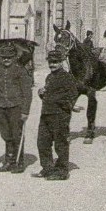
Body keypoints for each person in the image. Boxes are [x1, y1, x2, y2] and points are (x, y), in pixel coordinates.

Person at [34, 50, 81, 180]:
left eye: (55, 62)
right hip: (46, 114)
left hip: (60, 115)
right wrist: (41, 92)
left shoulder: (67, 77)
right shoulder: (49, 77)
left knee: (60, 143)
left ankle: (62, 171)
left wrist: (62, 105)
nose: (52, 65)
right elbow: (47, 94)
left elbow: (73, 95)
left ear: (61, 62)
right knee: (42, 142)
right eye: (50, 62)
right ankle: (47, 168)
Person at [0, 44, 34, 173]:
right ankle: (9, 161)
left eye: (9, 57)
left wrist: (25, 111)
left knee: (16, 134)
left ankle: (19, 162)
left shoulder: (21, 71)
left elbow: (27, 93)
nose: (6, 60)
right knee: (5, 134)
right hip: (1, 107)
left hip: (16, 107)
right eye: (4, 58)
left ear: (14, 57)